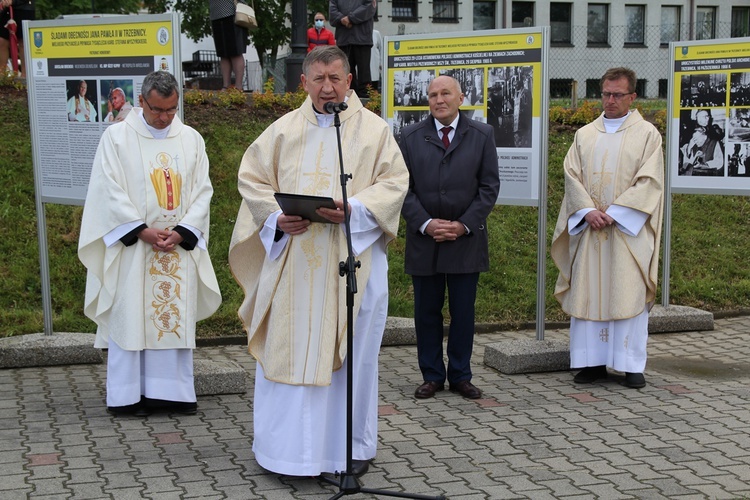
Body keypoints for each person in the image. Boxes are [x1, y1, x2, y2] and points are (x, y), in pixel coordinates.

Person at [228, 46, 408, 477]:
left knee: (354, 356)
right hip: (295, 264)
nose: (327, 87)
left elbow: (395, 182)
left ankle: (350, 449)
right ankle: (285, 453)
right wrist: (275, 217)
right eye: (318, 79)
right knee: (290, 349)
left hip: (354, 263)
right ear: (303, 83)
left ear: (350, 81)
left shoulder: (374, 131)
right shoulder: (282, 131)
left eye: (335, 78)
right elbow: (251, 180)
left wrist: (356, 209)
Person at [78, 71, 222, 417]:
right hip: (133, 248)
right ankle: (127, 396)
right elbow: (107, 190)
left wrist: (184, 230)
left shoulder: (191, 139)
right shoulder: (116, 138)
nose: (164, 117)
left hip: (175, 246)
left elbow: (203, 190)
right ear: (141, 101)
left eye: (171, 109)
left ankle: (170, 393)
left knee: (170, 316)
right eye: (157, 109)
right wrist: (140, 229)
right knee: (131, 318)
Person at [550, 67, 664, 390]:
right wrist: (587, 211)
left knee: (627, 293)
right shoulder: (584, 135)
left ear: (632, 97)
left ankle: (630, 365)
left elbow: (650, 181)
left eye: (617, 95)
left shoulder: (647, 136)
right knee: (589, 294)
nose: (610, 100)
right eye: (605, 94)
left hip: (627, 233)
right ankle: (592, 362)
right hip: (591, 230)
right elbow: (571, 176)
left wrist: (614, 213)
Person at [398, 75, 500, 401]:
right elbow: (401, 188)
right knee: (426, 312)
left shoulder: (482, 135)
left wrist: (463, 225)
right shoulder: (410, 136)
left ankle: (460, 375)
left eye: (445, 94)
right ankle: (431, 375)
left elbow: (489, 187)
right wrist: (426, 223)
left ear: (460, 97)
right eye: (432, 95)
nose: (438, 100)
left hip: (464, 242)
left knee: (462, 312)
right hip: (424, 241)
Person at [329, 0, 375, 96]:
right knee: (346, 70)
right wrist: (342, 19)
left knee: (364, 70)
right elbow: (332, 13)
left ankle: (365, 96)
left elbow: (369, 7)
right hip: (344, 39)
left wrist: (350, 18)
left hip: (362, 38)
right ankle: (348, 95)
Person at [208, 0, 248, 89]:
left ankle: (238, 87)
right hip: (216, 15)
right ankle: (226, 86)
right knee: (223, 54)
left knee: (236, 52)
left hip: (233, 13)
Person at [0, 0, 33, 77]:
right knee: (1, 41)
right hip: (6, 10)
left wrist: (13, 1)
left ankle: (25, 75)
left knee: (24, 42)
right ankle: (2, 75)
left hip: (25, 9)